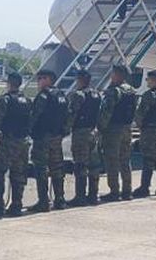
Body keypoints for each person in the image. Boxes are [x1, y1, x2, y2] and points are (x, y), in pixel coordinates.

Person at [0, 72, 33, 217]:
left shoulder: (5, 100)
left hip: (9, 140)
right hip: (23, 141)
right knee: (19, 173)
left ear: (9, 83)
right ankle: (16, 204)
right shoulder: (27, 100)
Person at [28, 68, 70, 212]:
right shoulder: (62, 96)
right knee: (57, 168)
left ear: (48, 80)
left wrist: (29, 131)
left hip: (43, 137)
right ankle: (60, 199)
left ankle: (43, 201)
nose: (38, 82)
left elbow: (34, 116)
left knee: (41, 169)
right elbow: (67, 117)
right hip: (56, 137)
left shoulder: (44, 96)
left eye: (40, 79)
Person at [97, 64, 138, 201]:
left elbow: (106, 113)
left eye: (113, 74)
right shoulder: (132, 91)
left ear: (119, 75)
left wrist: (100, 128)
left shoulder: (114, 91)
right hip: (127, 128)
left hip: (113, 129)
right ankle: (127, 191)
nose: (111, 76)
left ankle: (114, 191)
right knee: (125, 160)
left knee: (111, 160)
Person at [65, 68, 103, 207]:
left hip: (81, 133)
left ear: (80, 80)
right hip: (93, 132)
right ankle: (93, 195)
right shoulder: (96, 94)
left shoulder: (78, 95)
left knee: (80, 165)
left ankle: (80, 196)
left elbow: (72, 114)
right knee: (94, 165)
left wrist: (66, 128)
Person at [133, 70, 156, 197]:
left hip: (149, 130)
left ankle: (145, 187)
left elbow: (140, 113)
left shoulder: (149, 95)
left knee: (147, 159)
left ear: (154, 79)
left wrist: (140, 126)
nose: (147, 81)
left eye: (148, 79)